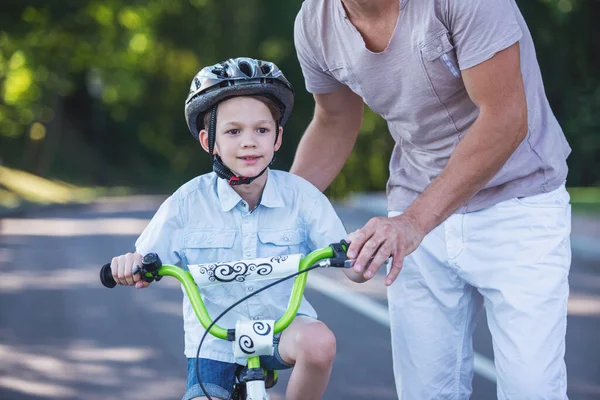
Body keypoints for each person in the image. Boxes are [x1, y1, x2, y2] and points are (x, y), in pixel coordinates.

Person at [292, 0, 572, 399]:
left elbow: (505, 118)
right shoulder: (314, 21)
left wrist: (412, 223)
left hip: (519, 200)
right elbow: (334, 119)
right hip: (415, 203)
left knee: (533, 389)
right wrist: (278, 210)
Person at [109, 57, 364, 400]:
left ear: (277, 139)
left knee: (320, 343)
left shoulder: (302, 197)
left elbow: (348, 260)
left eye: (262, 130)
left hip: (282, 330)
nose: (249, 142)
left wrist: (362, 256)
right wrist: (131, 266)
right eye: (233, 131)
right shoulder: (186, 203)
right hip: (213, 345)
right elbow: (144, 259)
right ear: (208, 141)